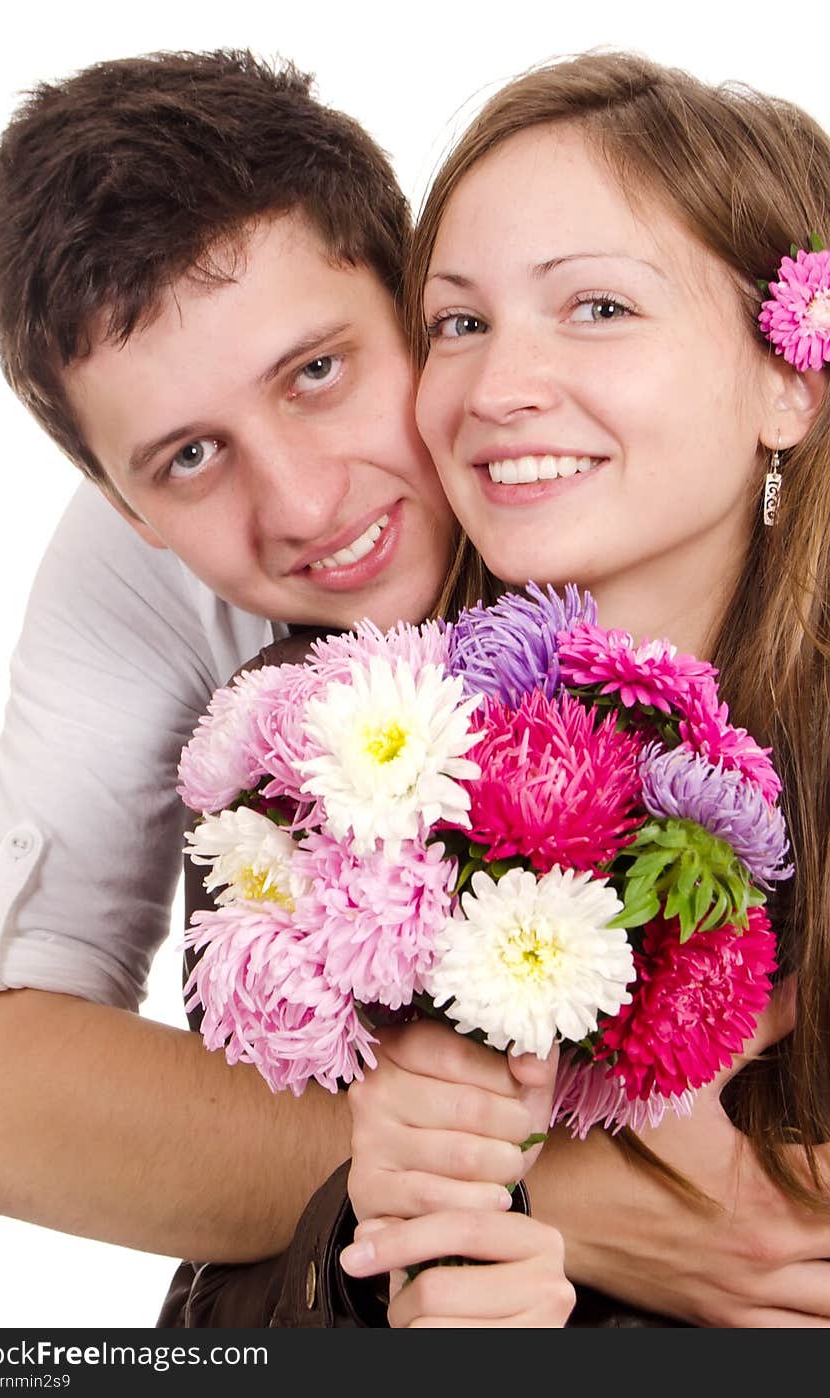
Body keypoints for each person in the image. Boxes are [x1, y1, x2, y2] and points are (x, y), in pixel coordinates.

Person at [0, 47, 568, 1324]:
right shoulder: (139, 569)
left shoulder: (614, 397)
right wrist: (569, 1201)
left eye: (317, 372)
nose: (299, 504)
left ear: (417, 296)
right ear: (125, 509)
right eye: (187, 457)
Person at [342, 50, 830, 1327]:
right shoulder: (345, 753)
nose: (496, 389)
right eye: (458, 322)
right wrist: (385, 1245)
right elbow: (214, 1319)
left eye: (598, 308)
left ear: (790, 375)